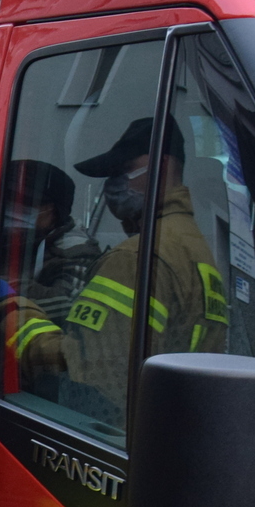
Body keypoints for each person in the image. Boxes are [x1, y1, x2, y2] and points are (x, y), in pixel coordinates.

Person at [60, 117, 228, 397]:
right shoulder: (192, 243)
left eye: (125, 170)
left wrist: (24, 325)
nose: (113, 185)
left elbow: (91, 376)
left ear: (160, 167)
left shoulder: (136, 257)